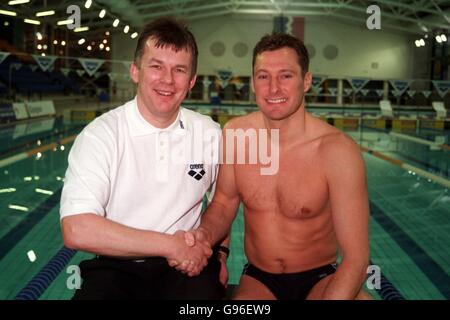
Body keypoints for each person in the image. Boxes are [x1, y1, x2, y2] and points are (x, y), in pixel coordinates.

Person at [183, 32, 372, 300]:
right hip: (259, 279)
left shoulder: (337, 152)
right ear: (253, 82)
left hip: (321, 277)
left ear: (306, 81)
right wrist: (204, 239)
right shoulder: (238, 135)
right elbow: (224, 204)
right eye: (263, 76)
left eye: (286, 75)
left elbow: (357, 258)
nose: (273, 88)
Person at [60, 17, 227, 300]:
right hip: (116, 266)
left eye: (179, 70)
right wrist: (169, 245)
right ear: (136, 71)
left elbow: (223, 202)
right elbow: (77, 228)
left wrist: (217, 249)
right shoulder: (100, 135)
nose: (167, 80)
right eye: (156, 66)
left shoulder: (209, 133)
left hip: (184, 268)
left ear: (191, 81)